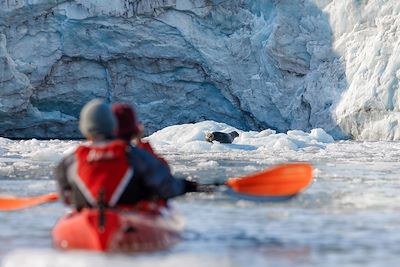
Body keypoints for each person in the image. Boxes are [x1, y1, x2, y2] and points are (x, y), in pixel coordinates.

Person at [55, 99, 197, 210]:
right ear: (112, 125)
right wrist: (186, 186)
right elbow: (166, 186)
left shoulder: (70, 160)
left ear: (84, 129)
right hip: (129, 218)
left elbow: (65, 197)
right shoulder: (134, 156)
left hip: (88, 219)